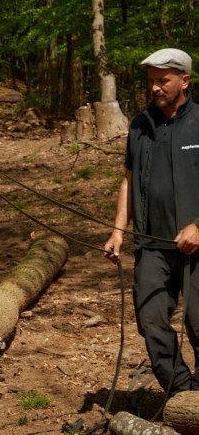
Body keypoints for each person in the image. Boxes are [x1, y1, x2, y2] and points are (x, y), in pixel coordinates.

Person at [104, 48, 199, 397]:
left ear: (184, 80)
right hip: (151, 247)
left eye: (163, 81)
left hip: (197, 250)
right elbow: (128, 180)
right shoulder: (139, 125)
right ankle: (184, 397)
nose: (155, 88)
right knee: (151, 323)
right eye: (151, 82)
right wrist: (118, 232)